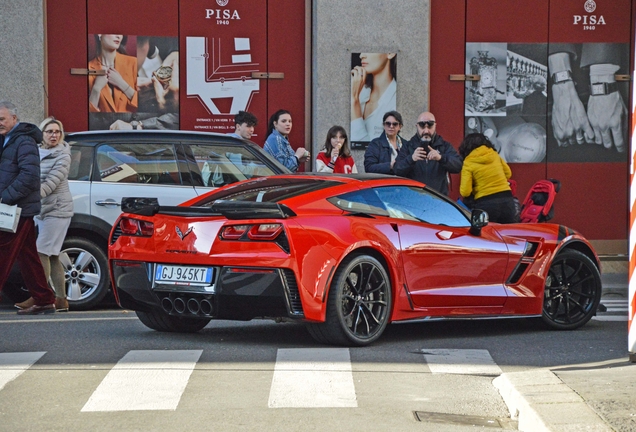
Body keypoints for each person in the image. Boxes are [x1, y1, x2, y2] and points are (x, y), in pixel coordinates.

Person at [0, 101, 56, 315]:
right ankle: (44, 299)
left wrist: (5, 198)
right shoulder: (7, 140)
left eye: (2, 119)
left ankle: (44, 299)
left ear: (14, 118)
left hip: (16, 209)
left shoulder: (23, 141)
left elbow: (29, 177)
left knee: (2, 252)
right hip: (13, 208)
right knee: (28, 256)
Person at [15, 117, 74, 312]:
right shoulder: (36, 152)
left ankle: (40, 295)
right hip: (41, 210)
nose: (53, 135)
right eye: (49, 131)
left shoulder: (63, 156)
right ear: (42, 133)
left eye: (57, 131)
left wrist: (26, 197)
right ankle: (61, 299)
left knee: (40, 251)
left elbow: (50, 183)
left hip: (57, 210)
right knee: (53, 255)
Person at [393, 111, 463, 195]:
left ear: (435, 126)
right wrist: (411, 159)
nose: (426, 130)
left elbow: (458, 165)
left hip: (438, 199)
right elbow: (397, 170)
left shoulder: (444, 146)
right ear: (417, 126)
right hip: (414, 199)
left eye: (430, 125)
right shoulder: (408, 146)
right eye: (422, 125)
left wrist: (441, 158)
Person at [458, 133, 517, 223]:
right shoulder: (494, 154)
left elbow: (465, 192)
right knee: (507, 234)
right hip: (507, 200)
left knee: (487, 235)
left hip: (486, 203)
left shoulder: (468, 162)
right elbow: (508, 173)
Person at [351, 53, 397, 142]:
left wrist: (354, 101)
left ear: (390, 53)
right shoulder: (357, 88)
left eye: (370, 50)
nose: (361, 55)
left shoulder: (396, 102)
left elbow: (369, 149)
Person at [88, 34, 138, 113]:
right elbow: (88, 115)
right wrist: (96, 88)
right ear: (99, 35)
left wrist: (121, 83)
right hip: (102, 124)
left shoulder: (133, 63)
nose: (119, 36)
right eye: (113, 32)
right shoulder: (89, 68)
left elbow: (144, 104)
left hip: (130, 123)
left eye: (120, 34)